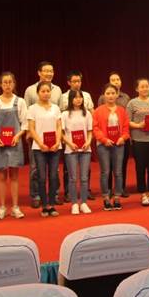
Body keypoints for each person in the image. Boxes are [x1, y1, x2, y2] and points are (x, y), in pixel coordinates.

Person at [0, 72, 27, 220]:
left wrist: (18, 136)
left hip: (15, 142)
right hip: (0, 142)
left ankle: (15, 207)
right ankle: (2, 207)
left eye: (10, 82)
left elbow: (24, 124)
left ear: (14, 84)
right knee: (2, 175)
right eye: (5, 82)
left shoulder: (20, 102)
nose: (7, 85)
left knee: (15, 175)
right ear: (0, 85)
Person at [24, 61, 62, 209]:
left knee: (54, 171)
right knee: (36, 169)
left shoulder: (58, 90)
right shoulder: (30, 90)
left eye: (51, 71)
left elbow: (60, 113)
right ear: (39, 73)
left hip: (54, 138)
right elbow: (26, 113)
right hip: (37, 137)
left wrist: (58, 139)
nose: (49, 73)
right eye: (45, 71)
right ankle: (36, 196)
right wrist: (30, 133)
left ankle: (54, 195)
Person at [93, 83, 130, 211]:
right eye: (108, 93)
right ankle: (106, 198)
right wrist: (104, 140)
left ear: (117, 94)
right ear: (104, 95)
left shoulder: (122, 110)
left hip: (119, 144)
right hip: (103, 145)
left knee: (118, 172)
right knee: (105, 172)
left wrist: (122, 138)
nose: (110, 96)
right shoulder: (98, 111)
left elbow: (126, 128)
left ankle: (117, 197)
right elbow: (95, 128)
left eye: (113, 93)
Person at [59, 70, 94, 201]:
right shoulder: (63, 99)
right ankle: (70, 194)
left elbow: (90, 126)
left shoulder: (87, 98)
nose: (77, 83)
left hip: (85, 145)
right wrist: (68, 143)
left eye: (79, 81)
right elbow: (61, 130)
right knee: (70, 174)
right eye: (74, 81)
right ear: (69, 82)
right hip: (70, 145)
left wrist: (88, 141)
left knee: (85, 174)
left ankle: (85, 194)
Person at [127, 78, 149, 206]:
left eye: (147, 86)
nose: (145, 89)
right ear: (137, 89)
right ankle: (143, 194)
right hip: (139, 139)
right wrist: (138, 125)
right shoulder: (132, 103)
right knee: (140, 167)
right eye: (142, 87)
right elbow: (127, 122)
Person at [62, 90, 94, 215]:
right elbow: (61, 133)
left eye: (80, 97)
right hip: (71, 150)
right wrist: (70, 143)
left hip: (85, 149)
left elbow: (90, 131)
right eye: (75, 97)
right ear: (71, 99)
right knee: (73, 178)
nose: (78, 99)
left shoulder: (87, 114)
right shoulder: (65, 114)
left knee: (84, 178)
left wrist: (88, 142)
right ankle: (74, 203)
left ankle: (84, 203)